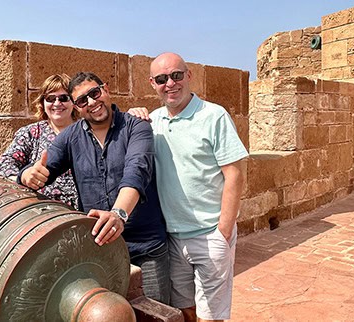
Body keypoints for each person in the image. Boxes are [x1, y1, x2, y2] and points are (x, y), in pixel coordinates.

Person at [17, 71, 170, 304]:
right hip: (102, 252)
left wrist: (118, 214)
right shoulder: (71, 137)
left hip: (145, 247)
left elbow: (137, 171)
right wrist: (28, 175)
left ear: (105, 89)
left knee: (158, 314)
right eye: (81, 100)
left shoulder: (136, 127)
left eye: (94, 93)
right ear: (77, 108)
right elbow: (44, 170)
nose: (91, 103)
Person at [129, 52, 248, 322]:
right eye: (161, 79)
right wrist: (133, 115)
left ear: (189, 75)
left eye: (176, 75)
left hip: (209, 235)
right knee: (186, 309)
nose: (170, 83)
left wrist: (223, 231)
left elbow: (235, 174)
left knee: (211, 315)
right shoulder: (153, 122)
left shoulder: (213, 116)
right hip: (173, 237)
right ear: (152, 83)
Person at [0, 74, 78, 209]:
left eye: (63, 98)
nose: (57, 103)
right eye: (50, 98)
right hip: (41, 211)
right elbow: (2, 165)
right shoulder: (31, 133)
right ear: (43, 103)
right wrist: (23, 177)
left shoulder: (86, 133)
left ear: (73, 102)